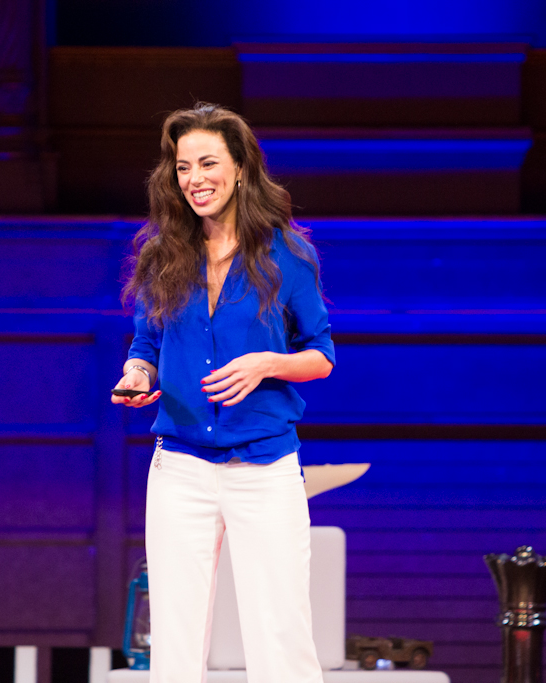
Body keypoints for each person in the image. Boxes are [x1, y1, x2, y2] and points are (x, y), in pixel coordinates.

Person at [111, 103, 335, 683]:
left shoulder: (287, 254)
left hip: (262, 465)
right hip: (180, 467)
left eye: (208, 163)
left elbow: (321, 356)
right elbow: (146, 345)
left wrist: (268, 363)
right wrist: (138, 376)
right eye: (184, 168)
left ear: (239, 168)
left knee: (279, 636)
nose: (195, 179)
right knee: (176, 646)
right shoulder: (164, 254)